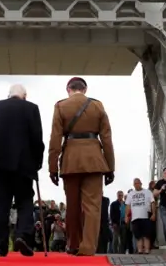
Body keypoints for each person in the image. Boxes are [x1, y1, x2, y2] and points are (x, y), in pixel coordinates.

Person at [48, 77, 115, 256]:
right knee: (92, 207)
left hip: (70, 161)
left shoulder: (61, 106)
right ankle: (88, 248)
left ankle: (73, 244)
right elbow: (107, 139)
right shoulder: (97, 106)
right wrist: (110, 167)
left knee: (72, 205)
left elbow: (55, 140)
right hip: (94, 161)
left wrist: (52, 167)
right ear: (85, 90)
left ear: (68, 89)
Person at [0, 83, 45, 257]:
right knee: (24, 201)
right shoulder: (31, 108)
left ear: (9, 94)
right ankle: (23, 235)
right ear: (25, 95)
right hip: (23, 164)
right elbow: (37, 139)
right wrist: (37, 163)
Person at [125, 178, 156, 254]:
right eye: (135, 184)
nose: (136, 185)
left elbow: (153, 203)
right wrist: (126, 216)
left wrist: (154, 213)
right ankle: (140, 251)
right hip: (135, 217)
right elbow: (128, 205)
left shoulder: (147, 192)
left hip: (146, 216)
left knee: (146, 235)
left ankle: (147, 250)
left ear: (141, 183)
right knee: (138, 236)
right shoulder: (131, 194)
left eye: (138, 183)